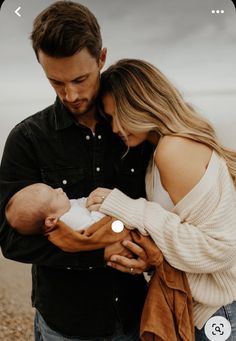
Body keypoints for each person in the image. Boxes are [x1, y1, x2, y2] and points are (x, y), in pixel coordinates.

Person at [0, 3, 153, 340]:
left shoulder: (137, 131)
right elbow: (10, 239)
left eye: (80, 79)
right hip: (66, 323)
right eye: (56, 82)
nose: (71, 94)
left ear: (101, 58)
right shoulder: (27, 139)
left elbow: (166, 209)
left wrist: (151, 257)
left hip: (139, 313)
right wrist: (98, 254)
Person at [86, 58, 236, 340]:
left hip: (218, 312)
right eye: (109, 117)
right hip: (206, 307)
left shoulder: (173, 150)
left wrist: (129, 208)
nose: (116, 127)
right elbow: (183, 231)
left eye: (121, 114)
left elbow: (221, 249)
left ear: (144, 102)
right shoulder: (162, 150)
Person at [5, 183, 105, 235]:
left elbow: (81, 202)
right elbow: (95, 226)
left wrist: (90, 199)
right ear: (51, 220)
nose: (60, 189)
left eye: (54, 189)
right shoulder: (67, 219)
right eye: (56, 195)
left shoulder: (62, 208)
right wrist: (100, 206)